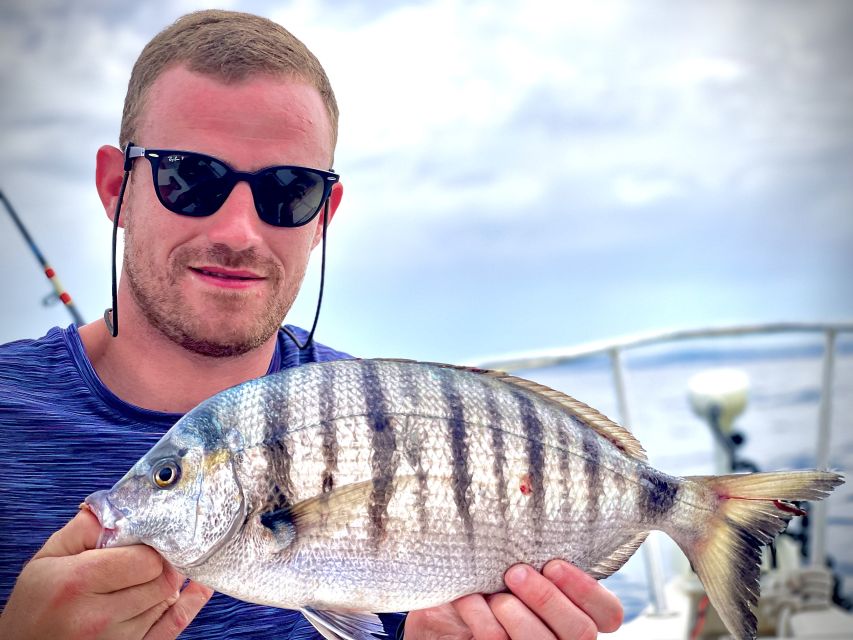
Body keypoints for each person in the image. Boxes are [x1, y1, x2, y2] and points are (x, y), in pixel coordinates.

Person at [0, 9, 623, 639]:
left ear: (322, 214)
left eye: (289, 191)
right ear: (115, 187)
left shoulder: (387, 419)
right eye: (188, 178)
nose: (238, 232)